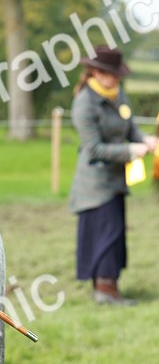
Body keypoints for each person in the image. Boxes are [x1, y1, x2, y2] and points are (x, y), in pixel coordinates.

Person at [69, 45, 156, 304]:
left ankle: (110, 286)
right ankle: (104, 290)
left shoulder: (118, 95)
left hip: (116, 180)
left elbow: (130, 128)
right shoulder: (84, 103)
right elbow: (94, 149)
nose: (116, 78)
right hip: (94, 185)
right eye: (112, 74)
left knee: (116, 233)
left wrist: (145, 140)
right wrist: (130, 150)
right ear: (96, 72)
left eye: (118, 74)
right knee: (104, 235)